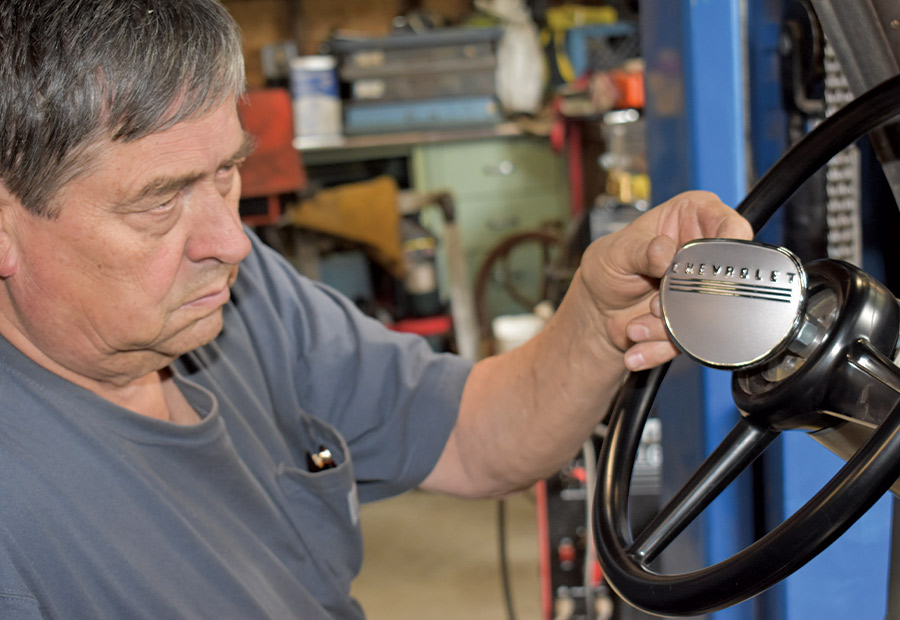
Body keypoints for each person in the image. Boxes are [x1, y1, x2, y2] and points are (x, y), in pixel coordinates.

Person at [0, 1, 753, 618]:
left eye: (227, 171)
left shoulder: (244, 298)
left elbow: (474, 435)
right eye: (161, 201)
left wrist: (594, 314)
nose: (231, 241)